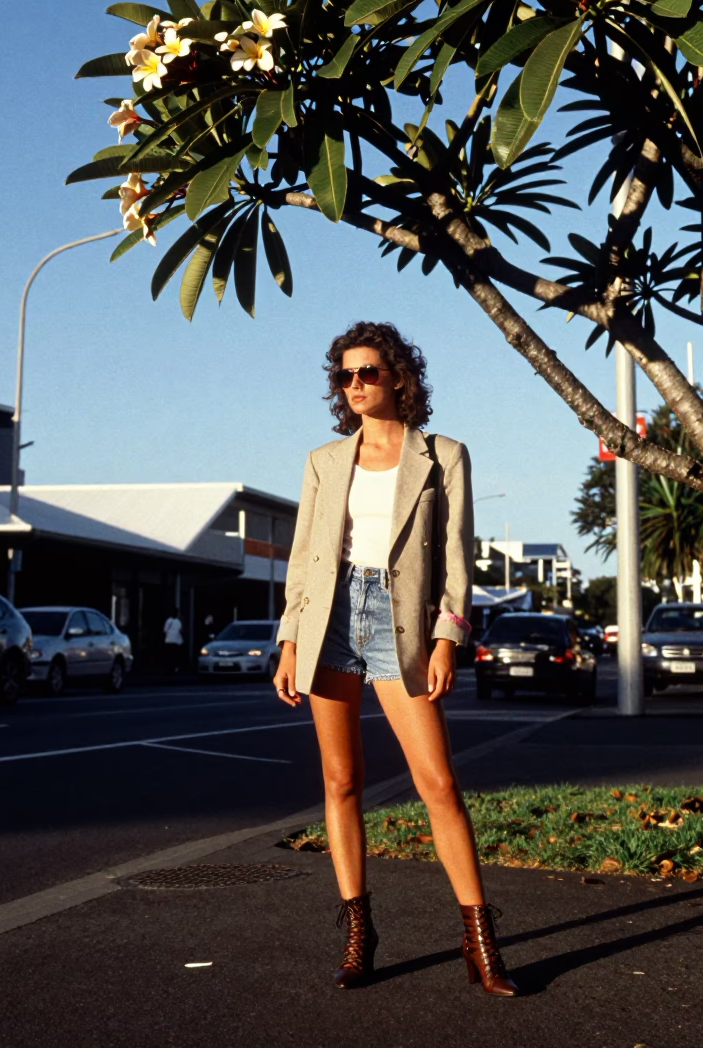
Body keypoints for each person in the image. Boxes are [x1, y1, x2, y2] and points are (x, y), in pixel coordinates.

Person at [272, 321, 518, 997]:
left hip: (400, 620)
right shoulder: (324, 462)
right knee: (341, 781)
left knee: (437, 782)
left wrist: (447, 637)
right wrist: (290, 640)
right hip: (329, 620)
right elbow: (304, 561)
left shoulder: (442, 455)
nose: (354, 386)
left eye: (367, 373)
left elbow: (456, 557)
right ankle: (358, 934)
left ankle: (480, 941)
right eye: (345, 376)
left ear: (399, 377)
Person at [163, 608, 184, 672]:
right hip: (176, 641)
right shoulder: (178, 621)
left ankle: (169, 668)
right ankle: (175, 667)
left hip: (169, 640)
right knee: (175, 656)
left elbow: (165, 630)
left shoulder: (169, 620)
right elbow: (181, 630)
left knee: (170, 655)